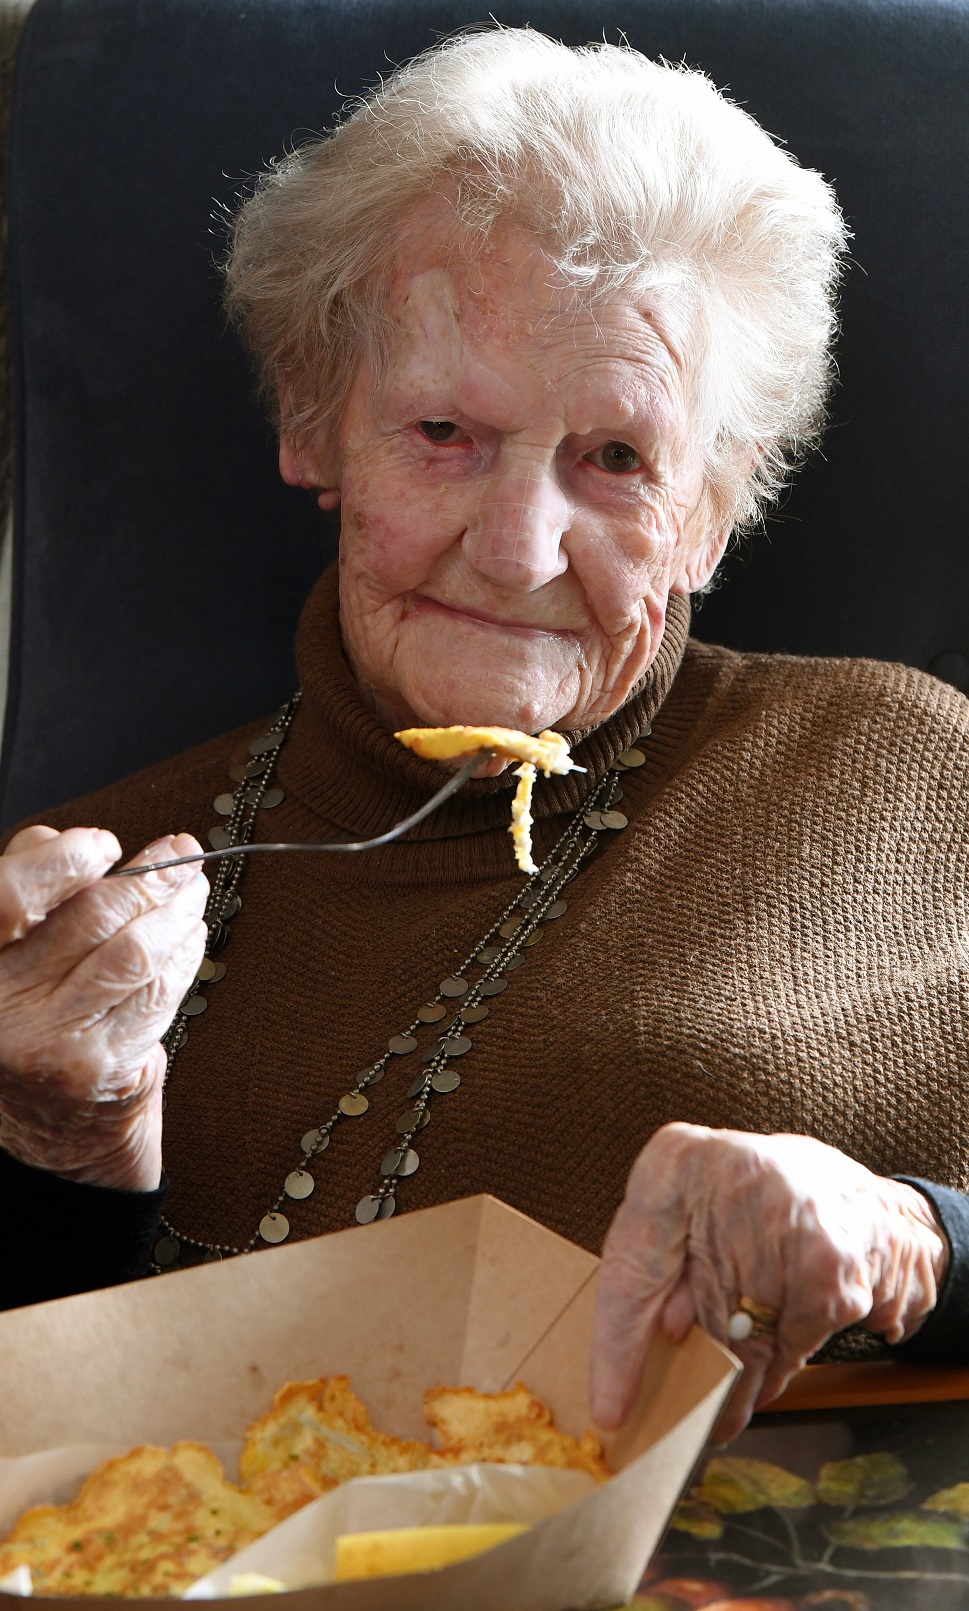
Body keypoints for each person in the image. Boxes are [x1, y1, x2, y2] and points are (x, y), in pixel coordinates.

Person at [0, 27, 967, 1444]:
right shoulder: (74, 920)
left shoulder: (908, 776)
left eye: (617, 459)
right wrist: (45, 1151)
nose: (516, 549)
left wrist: (915, 1233)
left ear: (710, 512)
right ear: (315, 425)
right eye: (444, 429)